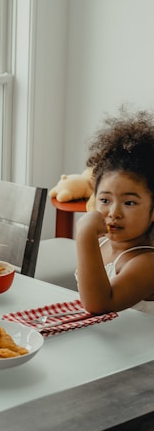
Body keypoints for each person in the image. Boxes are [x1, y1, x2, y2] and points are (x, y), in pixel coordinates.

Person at [76, 109, 154, 315]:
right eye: (104, 200)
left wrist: (84, 234)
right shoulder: (103, 245)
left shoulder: (147, 262)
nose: (114, 212)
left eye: (129, 203)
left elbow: (99, 305)